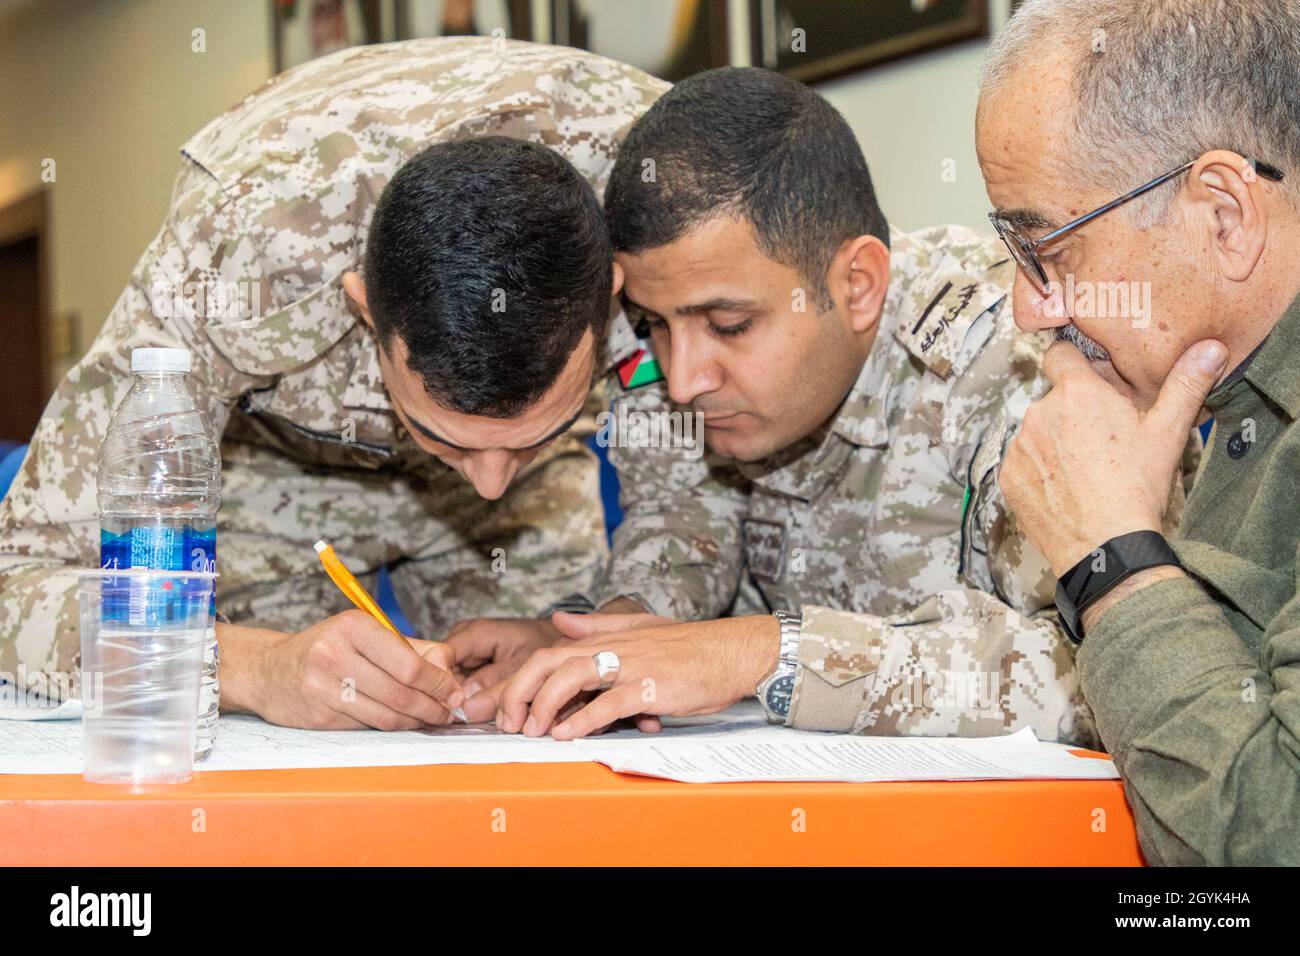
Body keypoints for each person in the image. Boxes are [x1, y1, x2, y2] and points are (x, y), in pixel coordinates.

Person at [454, 67, 1174, 744]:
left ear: (858, 285)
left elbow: (1119, 674)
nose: (683, 379)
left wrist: (767, 654)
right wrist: (614, 634)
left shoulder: (1020, 363)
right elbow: (686, 516)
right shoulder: (675, 350)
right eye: (655, 325)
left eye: (730, 326)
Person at [0, 37, 666, 731]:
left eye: (534, 433)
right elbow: (16, 583)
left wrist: (620, 629)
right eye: (449, 437)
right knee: (280, 751)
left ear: (613, 296)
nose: (489, 483)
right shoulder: (242, 239)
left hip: (539, 504)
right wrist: (248, 667)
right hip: (278, 476)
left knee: (551, 723)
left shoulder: (660, 193)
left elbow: (684, 495)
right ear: (363, 308)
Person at [976, 0, 1300, 864]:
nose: (1029, 307)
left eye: (1051, 252)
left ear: (1223, 214)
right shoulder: (1228, 404)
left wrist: (1111, 562)